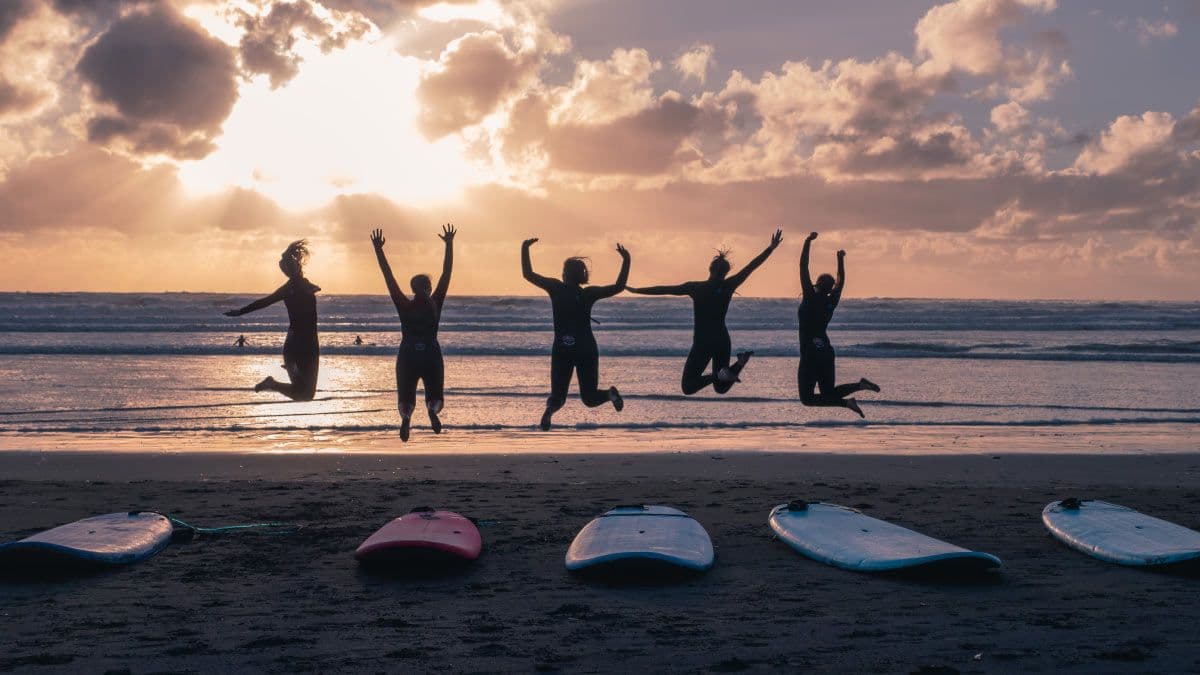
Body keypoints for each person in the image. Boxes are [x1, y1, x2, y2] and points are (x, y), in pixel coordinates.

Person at [629, 229, 783, 395]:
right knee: (721, 387)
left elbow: (665, 289)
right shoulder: (728, 285)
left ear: (710, 269)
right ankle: (739, 364)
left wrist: (637, 290)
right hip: (722, 340)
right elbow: (751, 267)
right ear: (726, 272)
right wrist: (770, 248)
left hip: (703, 341)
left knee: (688, 386)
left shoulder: (696, 287)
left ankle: (721, 373)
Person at [522, 237, 629, 430]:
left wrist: (524, 248)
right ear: (582, 276)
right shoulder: (589, 294)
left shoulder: (555, 288)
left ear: (564, 275)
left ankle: (548, 412)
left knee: (558, 396)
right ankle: (609, 394)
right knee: (589, 398)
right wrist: (626, 260)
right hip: (586, 347)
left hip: (563, 347)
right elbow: (618, 287)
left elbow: (528, 274)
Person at [371, 224, 455, 441]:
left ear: (412, 288)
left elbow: (387, 276)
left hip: (408, 353)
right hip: (431, 353)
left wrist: (379, 250)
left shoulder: (404, 305)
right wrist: (449, 244)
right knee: (435, 395)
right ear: (429, 287)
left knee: (406, 397)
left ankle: (406, 417)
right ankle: (431, 411)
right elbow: (447, 273)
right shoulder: (434, 303)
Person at [224, 240, 320, 401]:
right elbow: (264, 302)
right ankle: (274, 381)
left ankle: (274, 382)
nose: (289, 271)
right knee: (305, 394)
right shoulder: (291, 287)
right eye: (286, 269)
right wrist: (241, 311)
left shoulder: (303, 284)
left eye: (291, 266)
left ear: (297, 265)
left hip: (308, 342)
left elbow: (305, 288)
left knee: (306, 394)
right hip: (298, 343)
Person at [797, 232, 878, 417]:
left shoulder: (809, 297)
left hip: (810, 354)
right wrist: (840, 259)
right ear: (830, 288)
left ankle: (849, 400)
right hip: (826, 352)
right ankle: (859, 387)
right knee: (827, 393)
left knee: (807, 399)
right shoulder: (830, 301)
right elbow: (841, 282)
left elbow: (803, 266)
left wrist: (807, 242)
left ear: (816, 284)